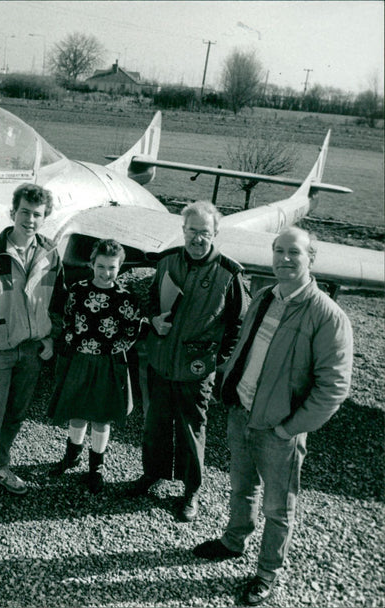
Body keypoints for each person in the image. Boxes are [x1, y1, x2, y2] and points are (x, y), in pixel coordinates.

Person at [192, 227, 353, 606]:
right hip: (242, 414)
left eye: (293, 252)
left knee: (278, 508)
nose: (283, 258)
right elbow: (245, 348)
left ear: (310, 257)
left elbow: (333, 387)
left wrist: (290, 428)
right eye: (278, 250)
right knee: (240, 488)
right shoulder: (265, 297)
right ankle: (234, 541)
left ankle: (267, 573)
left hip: (279, 429)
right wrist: (229, 389)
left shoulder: (327, 316)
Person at [126, 201, 246, 523]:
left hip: (196, 369)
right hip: (161, 361)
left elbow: (239, 322)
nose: (197, 238)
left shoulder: (228, 274)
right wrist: (153, 318)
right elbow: (151, 296)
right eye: (192, 231)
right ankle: (153, 474)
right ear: (183, 231)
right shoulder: (166, 263)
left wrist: (218, 359)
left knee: (192, 430)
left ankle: (191, 490)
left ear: (215, 234)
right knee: (155, 424)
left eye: (204, 233)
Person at [0, 183, 67, 525]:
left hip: (32, 352)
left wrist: (52, 337)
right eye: (24, 212)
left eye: (37, 214)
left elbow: (59, 301)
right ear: (12, 213)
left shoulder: (51, 255)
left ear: (44, 217)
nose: (30, 220)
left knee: (16, 415)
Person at [47, 239, 146, 494]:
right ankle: (72, 455)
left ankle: (96, 466)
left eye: (112, 267)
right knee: (77, 409)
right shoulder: (78, 290)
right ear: (92, 264)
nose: (105, 273)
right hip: (80, 359)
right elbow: (68, 319)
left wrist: (112, 349)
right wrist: (73, 344)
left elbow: (132, 330)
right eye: (100, 266)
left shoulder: (125, 298)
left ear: (119, 267)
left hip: (108, 362)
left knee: (102, 415)